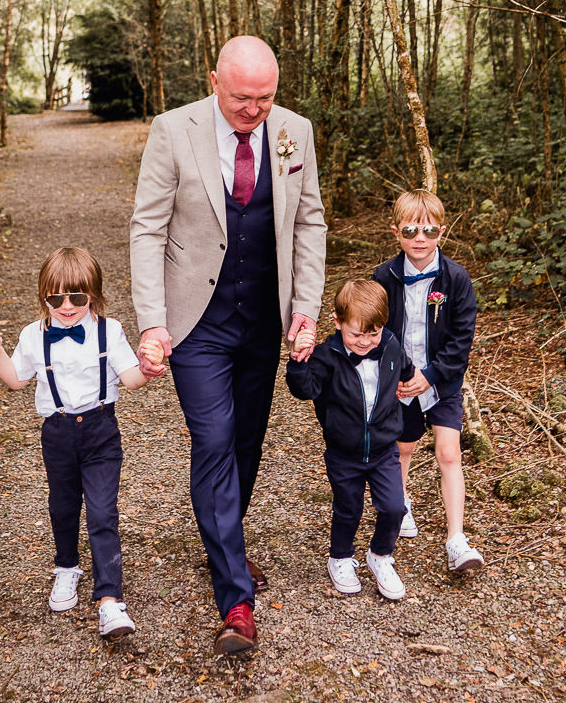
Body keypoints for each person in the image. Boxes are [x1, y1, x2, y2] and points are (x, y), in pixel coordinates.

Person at [129, 35, 327, 654]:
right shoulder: (171, 129)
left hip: (264, 320)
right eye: (243, 98)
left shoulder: (296, 131)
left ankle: (226, 545)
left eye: (265, 99)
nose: (255, 111)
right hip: (197, 322)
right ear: (214, 80)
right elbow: (147, 226)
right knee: (213, 439)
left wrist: (304, 310)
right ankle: (235, 599)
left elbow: (309, 221)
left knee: (246, 442)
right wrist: (153, 320)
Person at [0, 247, 157, 639]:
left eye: (77, 298)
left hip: (101, 431)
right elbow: (16, 380)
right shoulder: (33, 335)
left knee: (102, 511)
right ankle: (66, 568)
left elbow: (130, 379)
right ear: (44, 297)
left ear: (93, 296)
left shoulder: (108, 331)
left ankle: (109, 600)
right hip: (57, 432)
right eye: (56, 298)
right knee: (62, 505)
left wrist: (148, 369)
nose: (67, 306)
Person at [370, 189, 484, 573]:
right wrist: (398, 375)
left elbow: (461, 340)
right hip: (400, 382)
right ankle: (398, 507)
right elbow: (377, 332)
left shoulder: (456, 279)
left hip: (442, 380)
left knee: (449, 452)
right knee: (402, 449)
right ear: (395, 232)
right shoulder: (383, 277)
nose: (420, 238)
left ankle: (457, 539)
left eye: (430, 230)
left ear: (442, 232)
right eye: (410, 230)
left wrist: (430, 375)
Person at [285, 279, 411, 599]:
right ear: (338, 322)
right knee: (348, 507)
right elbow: (305, 390)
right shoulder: (327, 357)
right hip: (344, 452)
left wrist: (412, 385)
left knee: (395, 507)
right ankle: (340, 557)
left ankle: (380, 556)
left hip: (384, 449)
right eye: (356, 334)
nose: (366, 342)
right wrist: (299, 362)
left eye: (374, 333)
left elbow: (405, 370)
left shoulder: (392, 345)